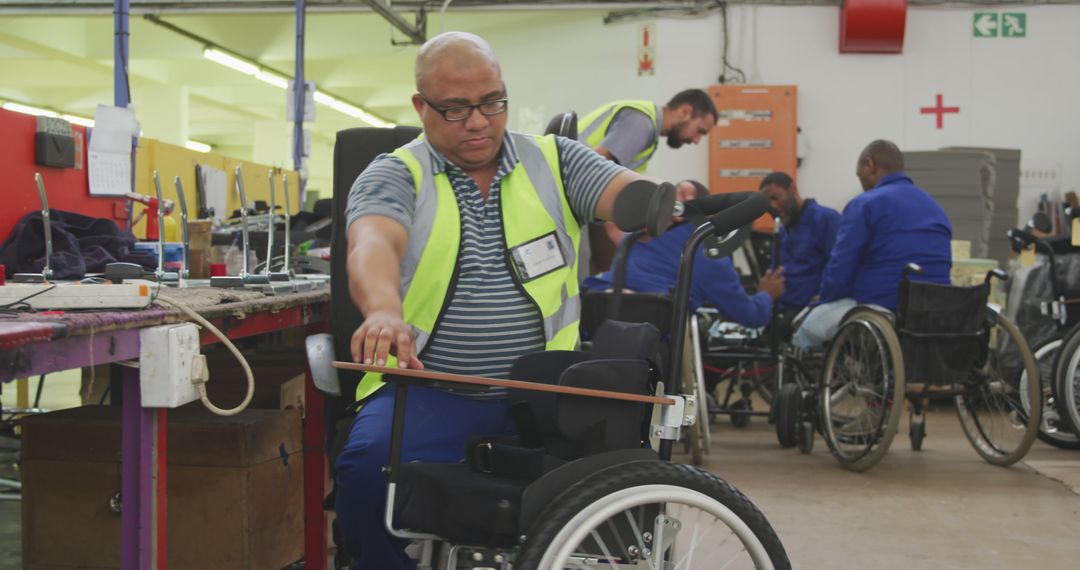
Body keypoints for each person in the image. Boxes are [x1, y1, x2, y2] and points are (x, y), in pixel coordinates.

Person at [336, 31, 668, 570]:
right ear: (421, 107)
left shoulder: (556, 161)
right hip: (428, 388)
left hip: (545, 395)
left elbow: (619, 189)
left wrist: (651, 202)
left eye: (493, 102)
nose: (479, 121)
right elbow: (373, 242)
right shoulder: (397, 174)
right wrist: (382, 310)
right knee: (364, 468)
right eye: (457, 108)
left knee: (627, 485)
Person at [792, 140, 953, 349]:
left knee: (805, 330)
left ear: (870, 165)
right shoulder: (935, 206)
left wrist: (822, 300)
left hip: (883, 308)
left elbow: (840, 267)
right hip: (936, 309)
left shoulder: (865, 204)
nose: (862, 184)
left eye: (859, 176)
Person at [582, 180, 785, 328]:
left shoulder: (638, 235)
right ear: (710, 214)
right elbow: (751, 316)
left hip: (595, 307)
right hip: (651, 326)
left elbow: (611, 220)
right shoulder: (707, 254)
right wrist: (766, 294)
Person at [577, 89, 720, 275]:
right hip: (569, 203)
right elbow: (596, 174)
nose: (696, 141)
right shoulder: (641, 124)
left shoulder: (647, 132)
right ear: (685, 112)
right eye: (699, 131)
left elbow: (623, 185)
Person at [758, 171, 841, 322]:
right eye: (767, 203)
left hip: (809, 312)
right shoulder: (782, 231)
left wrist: (822, 298)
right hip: (781, 309)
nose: (772, 206)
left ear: (793, 189)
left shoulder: (825, 219)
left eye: (775, 198)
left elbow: (840, 267)